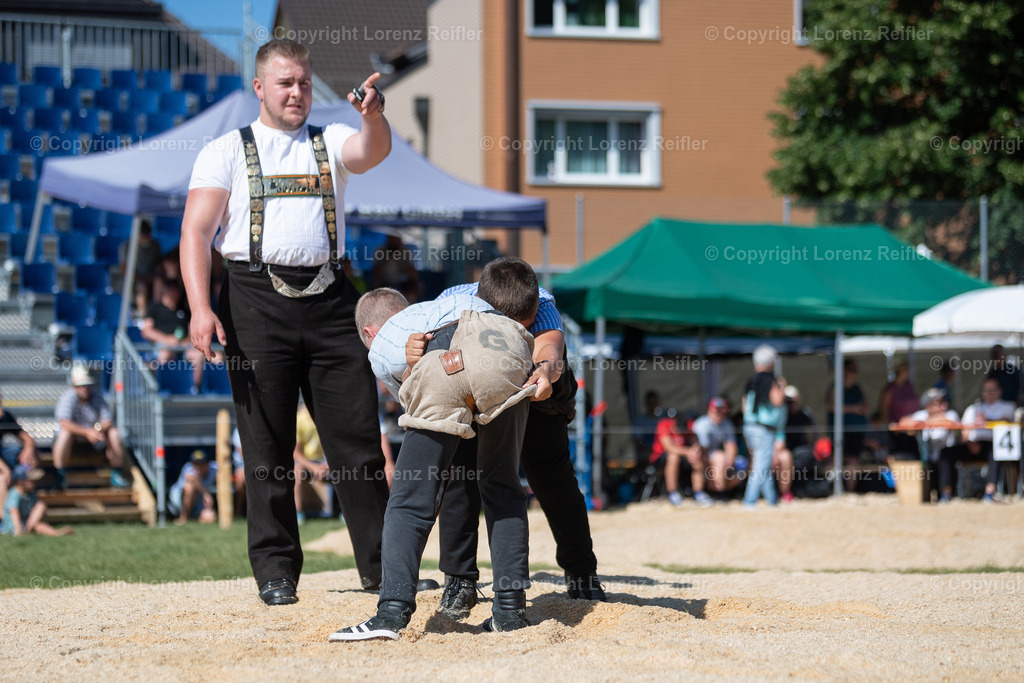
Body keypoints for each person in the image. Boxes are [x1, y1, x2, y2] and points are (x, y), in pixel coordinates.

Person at [181, 39, 392, 605]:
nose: (296, 92)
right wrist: (201, 309)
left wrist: (374, 116)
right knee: (266, 445)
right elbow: (197, 233)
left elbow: (373, 153)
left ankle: (381, 567)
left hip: (330, 301)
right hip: (253, 302)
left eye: (302, 81)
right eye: (284, 83)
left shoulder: (331, 140)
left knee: (358, 445)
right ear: (259, 88)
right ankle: (275, 571)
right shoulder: (224, 151)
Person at [331, 261, 541, 642]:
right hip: (507, 352)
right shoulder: (513, 302)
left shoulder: (392, 336)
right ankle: (509, 610)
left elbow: (411, 398)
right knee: (503, 488)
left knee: (411, 499)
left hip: (444, 353)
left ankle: (391, 612)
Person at [431, 261, 605, 613]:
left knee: (553, 480)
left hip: (536, 389)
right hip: (472, 384)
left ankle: (582, 572)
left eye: (521, 326)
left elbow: (550, 352)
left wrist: (545, 372)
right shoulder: (451, 304)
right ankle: (459, 580)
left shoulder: (542, 305)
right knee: (462, 479)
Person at [938, 378, 1016, 503]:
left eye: (992, 390)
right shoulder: (973, 408)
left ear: (1000, 391)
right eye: (986, 390)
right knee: (946, 453)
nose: (989, 393)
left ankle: (989, 493)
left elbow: (1006, 421)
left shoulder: (1007, 406)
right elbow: (964, 431)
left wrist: (987, 420)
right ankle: (945, 494)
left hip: (993, 443)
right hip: (972, 444)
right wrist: (969, 443)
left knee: (996, 452)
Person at [52, 366, 128, 490]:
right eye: (81, 385)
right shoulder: (67, 398)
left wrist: (96, 430)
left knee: (114, 432)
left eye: (87, 384)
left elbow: (107, 421)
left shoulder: (97, 397)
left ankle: (117, 473)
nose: (84, 388)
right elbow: (64, 423)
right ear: (74, 386)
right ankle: (60, 475)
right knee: (64, 433)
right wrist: (87, 432)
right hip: (74, 443)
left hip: (95, 441)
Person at [141, 276, 215, 389]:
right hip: (161, 346)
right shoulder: (154, 307)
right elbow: (147, 331)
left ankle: (195, 389)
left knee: (198, 354)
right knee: (166, 352)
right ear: (164, 291)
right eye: (170, 289)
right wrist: (167, 340)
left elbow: (192, 332)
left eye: (175, 289)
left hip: (182, 346)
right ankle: (160, 388)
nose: (173, 292)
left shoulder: (184, 310)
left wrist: (186, 341)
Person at [895, 388, 960, 503]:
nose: (943, 406)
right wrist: (921, 422)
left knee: (945, 455)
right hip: (927, 457)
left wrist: (925, 422)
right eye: (938, 403)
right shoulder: (921, 415)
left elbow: (949, 422)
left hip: (946, 457)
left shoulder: (950, 414)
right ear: (928, 406)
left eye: (943, 402)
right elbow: (903, 422)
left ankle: (946, 494)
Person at [742, 345, 787, 508]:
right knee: (760, 466)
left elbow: (744, 405)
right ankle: (749, 501)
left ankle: (771, 500)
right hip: (763, 429)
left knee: (763, 463)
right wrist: (782, 388)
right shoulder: (771, 380)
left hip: (749, 426)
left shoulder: (750, 380)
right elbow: (777, 401)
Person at [1, 465, 72, 536]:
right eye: (32, 481)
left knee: (39, 520)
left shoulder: (30, 493)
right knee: (40, 506)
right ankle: (27, 530)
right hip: (12, 527)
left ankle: (56, 533)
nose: (35, 482)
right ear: (20, 481)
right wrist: (18, 530)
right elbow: (13, 511)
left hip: (26, 523)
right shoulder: (15, 494)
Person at [692, 397, 740, 496]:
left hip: (714, 455)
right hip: (701, 455)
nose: (719, 415)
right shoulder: (701, 424)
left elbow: (731, 445)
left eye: (721, 412)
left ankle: (725, 491)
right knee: (719, 458)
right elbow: (702, 449)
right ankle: (717, 491)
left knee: (741, 464)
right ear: (709, 411)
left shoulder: (726, 423)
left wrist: (730, 459)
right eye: (716, 411)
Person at [120, 219, 163, 316]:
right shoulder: (126, 247)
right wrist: (142, 279)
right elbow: (124, 272)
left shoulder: (155, 245)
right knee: (142, 287)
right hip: (135, 280)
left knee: (160, 283)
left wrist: (155, 277)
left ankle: (158, 314)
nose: (146, 239)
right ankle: (144, 317)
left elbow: (159, 265)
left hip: (152, 279)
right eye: (144, 236)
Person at [879, 362, 919, 456]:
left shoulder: (908, 386)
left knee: (915, 453)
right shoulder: (891, 389)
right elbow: (883, 409)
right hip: (897, 431)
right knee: (900, 455)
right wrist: (890, 424)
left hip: (912, 428)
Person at [170, 449, 218, 525]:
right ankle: (183, 518)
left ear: (207, 464)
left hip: (199, 502)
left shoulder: (214, 468)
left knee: (210, 517)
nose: (198, 467)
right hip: (178, 501)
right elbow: (191, 478)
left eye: (201, 464)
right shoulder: (188, 467)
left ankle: (196, 519)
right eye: (195, 464)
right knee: (189, 487)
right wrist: (206, 494)